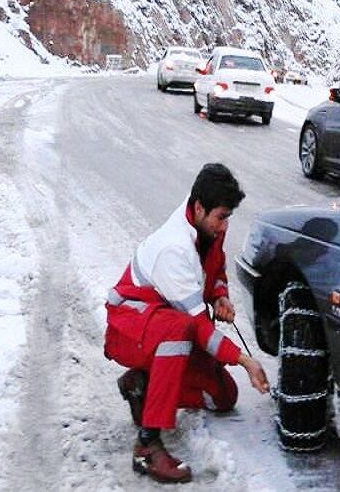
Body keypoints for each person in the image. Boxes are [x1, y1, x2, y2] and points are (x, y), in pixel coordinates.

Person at [104, 163, 269, 484]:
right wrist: (245, 361)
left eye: (227, 218)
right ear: (198, 208)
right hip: (130, 327)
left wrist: (219, 294)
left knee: (223, 396)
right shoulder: (174, 249)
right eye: (221, 217)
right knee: (179, 332)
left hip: (164, 323)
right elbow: (199, 329)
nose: (224, 227)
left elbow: (215, 268)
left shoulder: (208, 225)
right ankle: (147, 445)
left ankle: (143, 386)